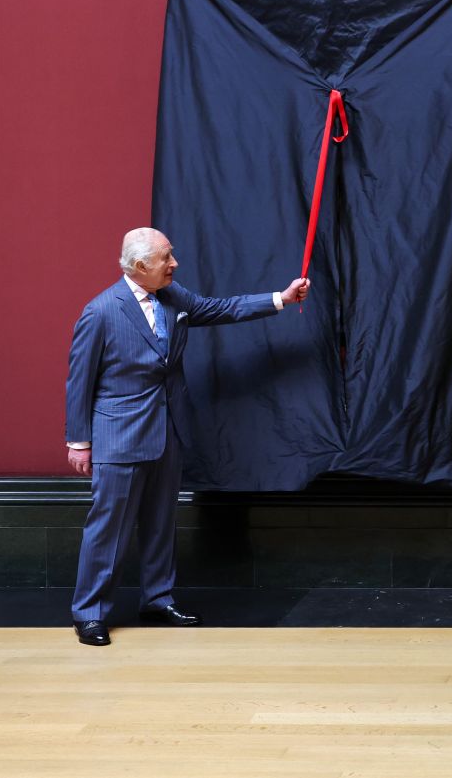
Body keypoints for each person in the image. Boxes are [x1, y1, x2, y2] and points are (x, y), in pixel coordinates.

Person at [65, 227, 309, 646]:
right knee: (108, 530)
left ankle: (158, 600)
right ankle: (89, 613)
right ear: (139, 266)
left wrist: (281, 299)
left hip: (168, 431)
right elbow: (79, 381)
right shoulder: (101, 312)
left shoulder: (173, 297)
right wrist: (79, 442)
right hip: (119, 437)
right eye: (166, 257)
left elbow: (221, 308)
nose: (174, 263)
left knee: (161, 523)